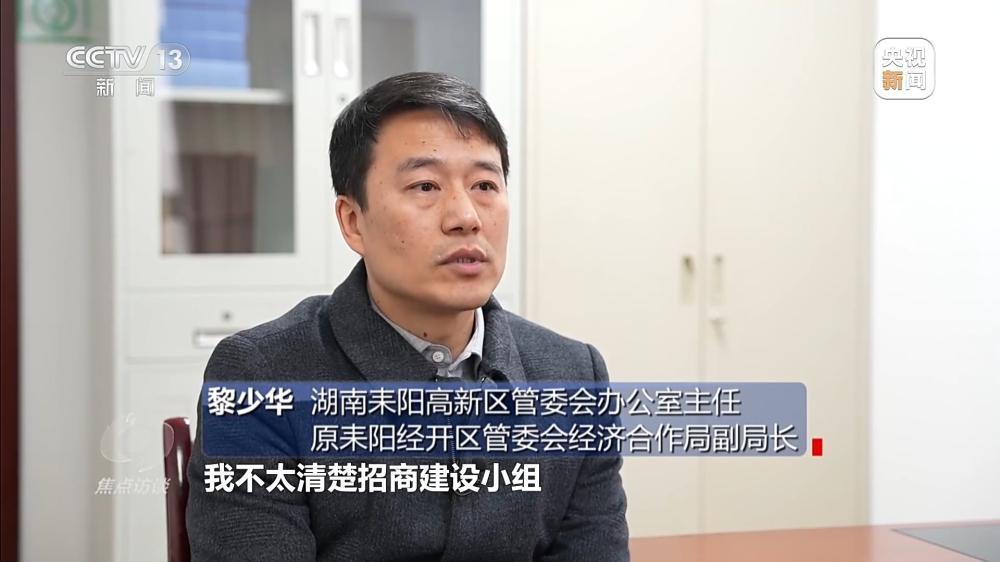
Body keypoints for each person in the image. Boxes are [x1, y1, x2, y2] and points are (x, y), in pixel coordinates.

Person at [186, 72, 629, 561]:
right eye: (425, 186)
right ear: (353, 221)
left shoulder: (574, 376)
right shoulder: (261, 378)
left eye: (485, 184)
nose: (466, 217)